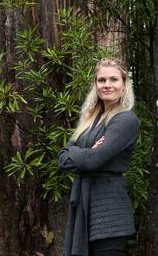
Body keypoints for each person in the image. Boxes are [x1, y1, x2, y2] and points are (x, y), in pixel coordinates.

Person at [58, 58, 139, 256]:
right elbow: (62, 159)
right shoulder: (90, 119)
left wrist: (78, 153)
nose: (107, 85)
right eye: (101, 80)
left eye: (114, 79)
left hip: (110, 212)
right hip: (84, 208)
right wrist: (86, 153)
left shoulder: (125, 119)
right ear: (95, 85)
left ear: (124, 84)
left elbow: (93, 160)